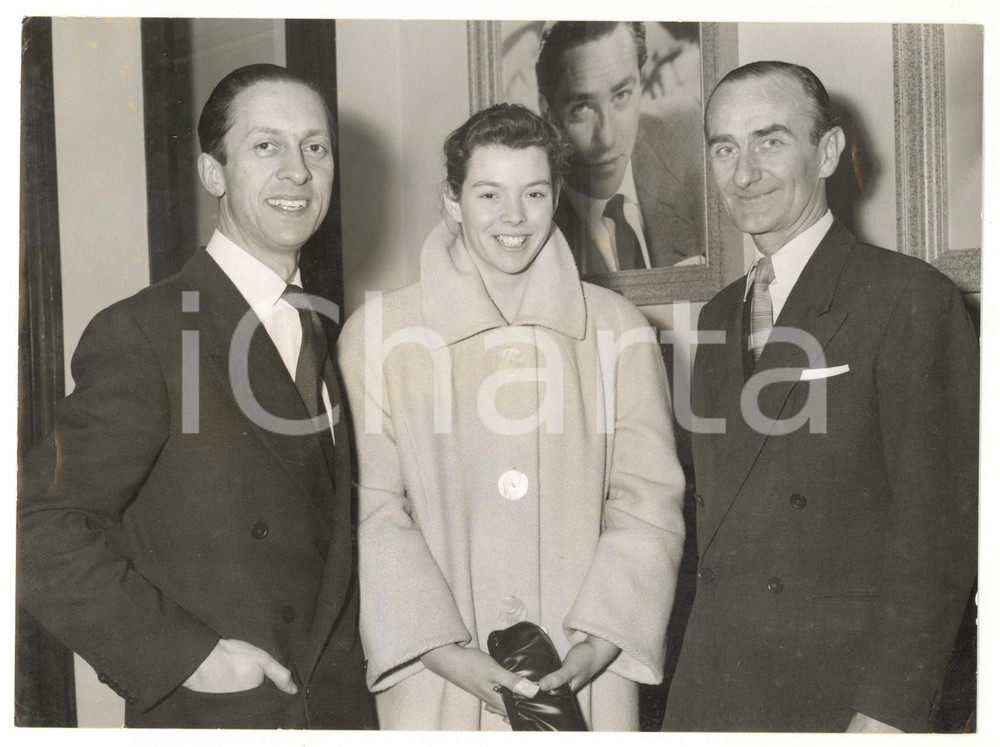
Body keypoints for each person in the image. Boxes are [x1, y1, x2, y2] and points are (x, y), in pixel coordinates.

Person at [17, 64, 373, 729]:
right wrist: (186, 657)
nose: (298, 170)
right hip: (226, 715)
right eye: (267, 146)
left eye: (315, 147)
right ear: (214, 173)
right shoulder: (147, 330)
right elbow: (35, 524)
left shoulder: (323, 328)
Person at [337, 103, 686, 730]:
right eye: (489, 193)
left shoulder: (618, 329)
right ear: (452, 200)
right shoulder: (377, 337)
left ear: (557, 197)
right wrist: (444, 653)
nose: (513, 217)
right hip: (438, 685)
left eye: (534, 192)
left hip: (582, 678)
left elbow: (648, 501)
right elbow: (372, 512)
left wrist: (598, 643)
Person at [662, 60, 978, 732]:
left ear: (827, 152)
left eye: (770, 141)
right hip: (716, 682)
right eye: (724, 148)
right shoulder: (718, 314)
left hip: (840, 691)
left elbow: (940, 528)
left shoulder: (908, 297)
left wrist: (891, 706)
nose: (743, 173)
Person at [536, 21, 705, 273]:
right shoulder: (532, 215)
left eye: (622, 95)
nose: (608, 138)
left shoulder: (690, 132)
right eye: (582, 107)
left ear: (641, 82)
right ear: (548, 112)